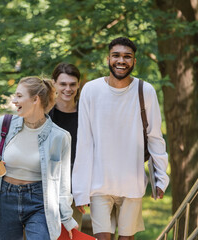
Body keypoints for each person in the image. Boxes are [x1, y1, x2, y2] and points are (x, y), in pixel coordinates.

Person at [72, 37, 170, 240]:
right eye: (116, 55)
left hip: (132, 183)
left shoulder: (146, 91)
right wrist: (80, 190)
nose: (121, 60)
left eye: (127, 56)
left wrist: (161, 177)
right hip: (99, 183)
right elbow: (84, 142)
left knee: (127, 238)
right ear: (108, 59)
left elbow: (155, 137)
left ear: (134, 61)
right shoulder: (91, 90)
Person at [0, 76, 78, 240]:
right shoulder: (5, 124)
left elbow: (63, 184)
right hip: (5, 198)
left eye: (19, 96)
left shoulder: (60, 137)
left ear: (35, 99)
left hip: (40, 201)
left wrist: (67, 218)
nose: (14, 101)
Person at [49, 62, 83, 230]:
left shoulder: (86, 115)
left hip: (76, 188)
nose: (68, 89)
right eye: (63, 84)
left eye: (72, 84)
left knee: (72, 234)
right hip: (47, 186)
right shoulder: (45, 115)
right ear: (54, 83)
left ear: (78, 85)